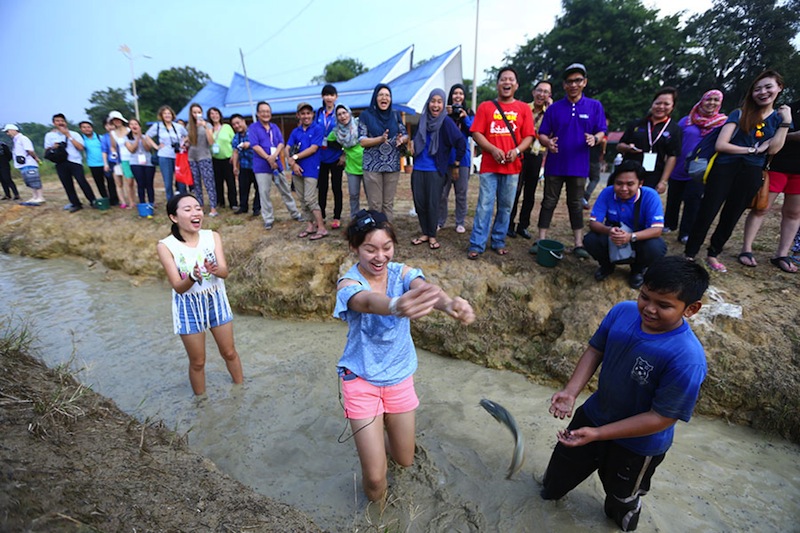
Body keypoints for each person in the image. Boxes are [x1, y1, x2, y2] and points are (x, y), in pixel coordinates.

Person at [540, 255, 709, 532]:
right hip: (593, 416)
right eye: (645, 297)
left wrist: (598, 435)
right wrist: (571, 391)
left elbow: (661, 418)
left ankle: (625, 513)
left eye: (664, 305)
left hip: (638, 447)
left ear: (691, 309)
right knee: (553, 482)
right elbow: (596, 349)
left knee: (619, 503)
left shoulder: (686, 358)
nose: (649, 309)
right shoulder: (623, 312)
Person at [334, 209, 475, 502]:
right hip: (361, 379)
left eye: (386, 248)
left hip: (398, 378)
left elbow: (425, 289)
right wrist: (396, 305)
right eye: (370, 249)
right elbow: (369, 302)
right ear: (354, 248)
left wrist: (449, 305)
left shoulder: (402, 273)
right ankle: (381, 517)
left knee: (405, 460)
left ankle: (375, 435)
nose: (380, 257)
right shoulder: (348, 283)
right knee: (375, 477)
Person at [684, 70, 792, 272]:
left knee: (732, 214)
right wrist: (752, 149)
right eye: (757, 89)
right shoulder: (739, 113)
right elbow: (721, 145)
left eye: (768, 87)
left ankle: (713, 253)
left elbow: (775, 148)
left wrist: (786, 121)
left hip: (752, 171)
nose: (762, 92)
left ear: (779, 88)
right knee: (707, 210)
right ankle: (690, 254)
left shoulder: (779, 118)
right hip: (725, 167)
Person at [156, 192, 244, 396]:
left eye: (197, 208)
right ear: (174, 217)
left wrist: (213, 269)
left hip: (216, 298)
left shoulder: (212, 236)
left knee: (229, 352)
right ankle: (202, 405)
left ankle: (241, 392)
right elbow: (178, 286)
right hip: (188, 305)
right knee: (198, 362)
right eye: (187, 209)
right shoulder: (166, 246)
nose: (196, 213)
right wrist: (193, 277)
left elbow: (224, 272)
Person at [535, 63, 607, 258]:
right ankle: (540, 239)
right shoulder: (554, 108)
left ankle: (578, 242)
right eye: (569, 81)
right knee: (549, 201)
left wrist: (596, 138)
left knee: (575, 204)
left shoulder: (594, 106)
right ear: (564, 85)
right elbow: (541, 134)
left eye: (577, 80)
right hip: (555, 164)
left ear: (584, 82)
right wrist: (548, 142)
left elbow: (602, 130)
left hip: (579, 164)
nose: (573, 84)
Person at [467, 67, 535, 259]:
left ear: (516, 85)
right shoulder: (485, 107)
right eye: (503, 79)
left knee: (506, 206)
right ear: (498, 84)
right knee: (484, 206)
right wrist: (492, 149)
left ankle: (498, 240)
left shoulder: (523, 109)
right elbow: (476, 133)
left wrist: (516, 151)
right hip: (489, 166)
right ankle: (477, 244)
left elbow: (529, 136)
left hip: (513, 168)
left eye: (511, 79)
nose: (507, 82)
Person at [739, 98, 800, 273]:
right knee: (761, 207)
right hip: (777, 166)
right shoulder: (788, 109)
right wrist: (792, 136)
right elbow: (770, 134)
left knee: (794, 213)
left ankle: (781, 254)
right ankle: (747, 249)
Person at [583, 160, 666, 289]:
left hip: (638, 237)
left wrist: (631, 236)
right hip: (613, 236)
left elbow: (657, 230)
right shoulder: (607, 193)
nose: (623, 189)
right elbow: (593, 223)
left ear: (640, 183)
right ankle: (607, 266)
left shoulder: (651, 196)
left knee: (655, 247)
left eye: (630, 184)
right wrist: (609, 230)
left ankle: (637, 270)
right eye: (619, 183)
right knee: (590, 240)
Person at [664, 90, 727, 244]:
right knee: (673, 198)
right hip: (678, 167)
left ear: (720, 103)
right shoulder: (687, 120)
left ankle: (686, 232)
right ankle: (669, 224)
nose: (711, 103)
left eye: (715, 100)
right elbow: (674, 141)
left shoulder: (723, 123)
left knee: (693, 201)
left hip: (701, 171)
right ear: (702, 101)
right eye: (708, 99)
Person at [410, 88, 466, 250]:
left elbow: (460, 143)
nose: (435, 105)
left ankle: (432, 235)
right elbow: (417, 139)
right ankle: (425, 232)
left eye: (439, 102)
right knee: (420, 203)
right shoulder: (422, 120)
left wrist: (455, 162)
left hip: (435, 170)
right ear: (428, 103)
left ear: (443, 104)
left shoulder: (446, 122)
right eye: (433, 101)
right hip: (418, 168)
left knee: (433, 203)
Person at [248, 101, 302, 230]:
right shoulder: (253, 128)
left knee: (285, 190)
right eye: (263, 111)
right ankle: (268, 218)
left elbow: (281, 143)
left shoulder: (274, 127)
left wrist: (274, 157)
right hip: (261, 166)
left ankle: (295, 213)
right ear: (258, 113)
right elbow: (255, 145)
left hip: (277, 164)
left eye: (268, 111)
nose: (265, 114)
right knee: (264, 193)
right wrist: (267, 158)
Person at [358, 84, 409, 221]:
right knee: (375, 204)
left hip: (392, 164)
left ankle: (387, 234)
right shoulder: (365, 116)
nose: (384, 98)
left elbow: (405, 134)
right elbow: (362, 140)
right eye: (381, 95)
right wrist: (379, 139)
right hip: (372, 166)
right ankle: (375, 235)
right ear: (375, 97)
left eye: (387, 95)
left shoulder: (395, 114)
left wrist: (401, 140)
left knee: (388, 204)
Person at [508, 80, 552, 239]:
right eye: (539, 91)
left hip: (537, 155)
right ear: (533, 92)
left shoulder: (551, 112)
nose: (542, 94)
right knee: (515, 189)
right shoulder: (523, 108)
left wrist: (550, 109)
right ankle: (509, 224)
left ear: (549, 95)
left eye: (546, 92)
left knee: (530, 193)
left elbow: (553, 132)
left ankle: (523, 225)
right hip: (521, 152)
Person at [617, 87, 682, 192]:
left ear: (672, 107)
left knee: (645, 203)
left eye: (666, 104)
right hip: (629, 173)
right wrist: (628, 147)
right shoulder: (637, 124)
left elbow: (672, 156)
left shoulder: (674, 129)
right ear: (652, 104)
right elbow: (619, 146)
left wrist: (663, 181)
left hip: (654, 175)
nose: (661, 107)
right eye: (658, 103)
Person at [287, 102, 328, 240]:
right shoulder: (295, 131)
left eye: (308, 113)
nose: (306, 116)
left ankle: (321, 227)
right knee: (302, 199)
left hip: (311, 169)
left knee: (310, 199)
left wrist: (295, 157)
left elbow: (314, 148)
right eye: (303, 113)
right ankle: (310, 225)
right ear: (298, 115)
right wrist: (292, 163)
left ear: (312, 115)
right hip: (296, 170)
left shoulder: (317, 128)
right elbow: (287, 147)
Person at [438, 83, 474, 234]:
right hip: (445, 160)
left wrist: (465, 118)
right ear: (450, 96)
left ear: (464, 97)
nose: (457, 96)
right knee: (441, 194)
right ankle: (440, 221)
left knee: (461, 193)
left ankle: (460, 222)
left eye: (460, 93)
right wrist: (444, 115)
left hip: (463, 160)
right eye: (454, 93)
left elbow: (473, 131)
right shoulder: (444, 114)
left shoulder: (470, 113)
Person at [44, 113, 97, 213]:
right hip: (60, 162)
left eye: (62, 121)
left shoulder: (74, 134)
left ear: (65, 122)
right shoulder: (50, 135)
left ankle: (92, 200)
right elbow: (46, 149)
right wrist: (53, 147)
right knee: (67, 184)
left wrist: (68, 136)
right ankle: (75, 203)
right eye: (57, 121)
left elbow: (81, 148)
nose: (60, 123)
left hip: (75, 161)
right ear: (53, 123)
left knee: (82, 181)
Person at [329, 103, 365, 219]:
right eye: (339, 114)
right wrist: (342, 152)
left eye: (344, 113)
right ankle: (354, 219)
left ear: (349, 113)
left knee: (371, 196)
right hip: (351, 167)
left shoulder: (359, 124)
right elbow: (328, 142)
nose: (342, 116)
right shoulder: (336, 132)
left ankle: (374, 220)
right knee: (354, 195)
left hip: (367, 165)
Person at [316, 84, 345, 228]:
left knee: (336, 187)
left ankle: (337, 216)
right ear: (322, 97)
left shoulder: (340, 113)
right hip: (320, 157)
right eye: (326, 95)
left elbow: (348, 133)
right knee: (322, 188)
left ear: (336, 97)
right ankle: (321, 216)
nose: (329, 97)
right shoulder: (318, 113)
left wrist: (344, 154)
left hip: (336, 156)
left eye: (331, 95)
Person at [145, 105, 189, 201]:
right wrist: (156, 146)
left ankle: (184, 201)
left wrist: (183, 143)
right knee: (168, 182)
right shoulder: (157, 126)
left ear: (172, 115)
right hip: (164, 155)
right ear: (161, 115)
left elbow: (187, 135)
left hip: (178, 155)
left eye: (169, 113)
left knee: (181, 180)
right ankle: (170, 202)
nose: (167, 115)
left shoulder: (178, 126)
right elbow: (147, 136)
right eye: (165, 113)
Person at [186, 103, 219, 217]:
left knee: (209, 182)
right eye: (194, 112)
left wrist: (205, 127)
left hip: (204, 156)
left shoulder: (208, 125)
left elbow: (211, 142)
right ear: (191, 113)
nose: (196, 114)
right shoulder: (189, 126)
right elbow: (189, 143)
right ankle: (200, 205)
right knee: (196, 184)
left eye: (198, 112)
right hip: (192, 157)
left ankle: (213, 207)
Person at [4, 124, 45, 205]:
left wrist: (35, 158)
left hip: (29, 162)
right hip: (23, 164)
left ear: (13, 130)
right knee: (29, 181)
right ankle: (35, 196)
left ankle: (40, 197)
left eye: (7, 131)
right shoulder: (16, 140)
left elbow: (30, 150)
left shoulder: (23, 138)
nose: (7, 134)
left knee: (34, 180)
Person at [230, 113, 260, 216]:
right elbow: (235, 152)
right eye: (234, 124)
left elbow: (262, 144)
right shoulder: (236, 138)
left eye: (238, 123)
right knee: (243, 188)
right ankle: (243, 207)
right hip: (244, 166)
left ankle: (257, 208)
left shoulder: (254, 132)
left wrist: (250, 144)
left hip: (256, 165)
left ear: (243, 121)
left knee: (258, 188)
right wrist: (235, 166)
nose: (237, 126)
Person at [208, 107, 237, 210]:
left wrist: (234, 156)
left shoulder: (227, 127)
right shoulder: (208, 128)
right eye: (212, 114)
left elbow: (234, 142)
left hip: (228, 158)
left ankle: (233, 203)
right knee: (217, 182)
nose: (214, 116)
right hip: (215, 158)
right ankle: (220, 202)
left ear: (220, 115)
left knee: (230, 182)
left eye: (216, 113)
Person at [124, 118, 156, 207]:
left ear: (139, 126)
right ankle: (142, 203)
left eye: (136, 124)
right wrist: (137, 139)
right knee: (140, 183)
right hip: (135, 163)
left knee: (149, 183)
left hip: (148, 162)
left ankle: (152, 202)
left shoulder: (146, 136)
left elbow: (148, 148)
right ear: (129, 127)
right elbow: (132, 149)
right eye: (131, 124)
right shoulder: (126, 138)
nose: (134, 126)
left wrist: (141, 137)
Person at [108, 110, 136, 209]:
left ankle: (134, 200)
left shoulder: (129, 130)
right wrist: (114, 153)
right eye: (114, 120)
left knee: (132, 181)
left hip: (134, 157)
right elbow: (113, 146)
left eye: (118, 120)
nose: (117, 122)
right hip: (124, 159)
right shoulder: (113, 133)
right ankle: (131, 202)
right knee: (128, 181)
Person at [78, 121, 110, 201]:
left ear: (92, 128)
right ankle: (105, 199)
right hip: (93, 164)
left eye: (88, 127)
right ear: (81, 129)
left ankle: (114, 199)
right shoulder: (81, 140)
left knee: (111, 182)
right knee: (100, 183)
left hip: (105, 163)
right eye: (84, 127)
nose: (87, 129)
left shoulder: (100, 137)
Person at [100, 119, 121, 206]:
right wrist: (105, 164)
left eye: (112, 125)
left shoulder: (121, 135)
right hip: (112, 161)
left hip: (123, 160)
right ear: (105, 127)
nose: (110, 127)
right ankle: (114, 199)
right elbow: (104, 151)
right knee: (111, 181)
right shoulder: (104, 137)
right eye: (108, 125)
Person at [0, 136, 19, 201]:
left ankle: (16, 194)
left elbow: (9, 155)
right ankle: (7, 195)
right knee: (2, 180)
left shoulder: (3, 145)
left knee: (7, 179)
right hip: (3, 164)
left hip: (4, 165)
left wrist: (5, 161)